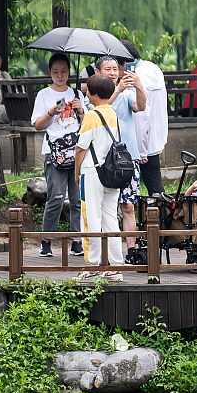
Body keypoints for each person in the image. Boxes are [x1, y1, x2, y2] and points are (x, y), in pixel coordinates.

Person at [31, 53, 85, 258]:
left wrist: (80, 110)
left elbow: (86, 123)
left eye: (63, 71)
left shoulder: (76, 94)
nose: (59, 75)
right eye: (55, 72)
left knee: (77, 198)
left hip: (76, 152)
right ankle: (46, 241)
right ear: (49, 72)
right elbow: (37, 125)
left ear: (69, 72)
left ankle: (77, 241)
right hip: (54, 153)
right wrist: (52, 112)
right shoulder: (43, 95)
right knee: (55, 197)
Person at [73, 73, 124, 283]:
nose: (85, 92)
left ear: (93, 94)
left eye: (87, 89)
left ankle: (92, 264)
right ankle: (114, 266)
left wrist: (76, 173)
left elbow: (80, 149)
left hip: (93, 173)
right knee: (110, 218)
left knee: (90, 218)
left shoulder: (92, 116)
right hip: (112, 173)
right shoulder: (113, 113)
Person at [96, 55, 146, 249]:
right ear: (98, 72)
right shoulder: (93, 93)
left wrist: (139, 86)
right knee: (105, 207)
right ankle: (107, 250)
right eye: (107, 69)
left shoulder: (126, 93)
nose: (112, 73)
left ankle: (131, 249)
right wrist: (118, 89)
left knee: (128, 206)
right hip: (103, 159)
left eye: (115, 69)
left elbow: (140, 106)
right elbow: (101, 108)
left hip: (127, 158)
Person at [121, 39, 169, 199]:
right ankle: (161, 221)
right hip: (153, 139)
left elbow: (141, 115)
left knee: (147, 190)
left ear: (125, 62)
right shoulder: (151, 67)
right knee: (155, 188)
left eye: (116, 66)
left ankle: (156, 221)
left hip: (142, 144)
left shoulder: (138, 77)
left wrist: (141, 151)